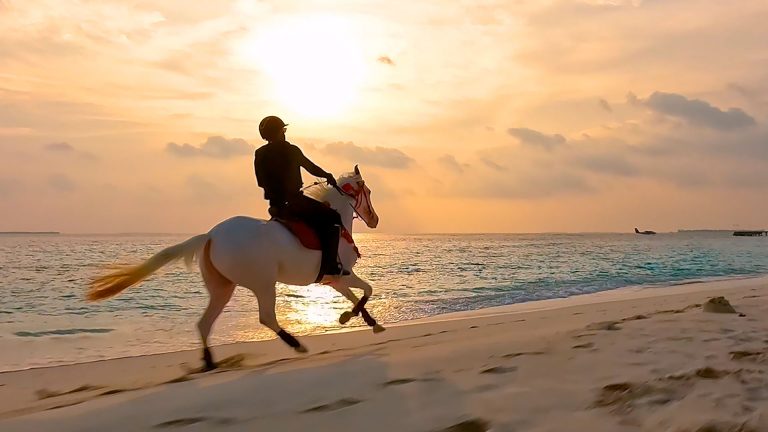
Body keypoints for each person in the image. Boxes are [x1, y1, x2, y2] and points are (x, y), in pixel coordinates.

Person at [253, 115, 348, 277]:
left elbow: (261, 182)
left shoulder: (259, 154)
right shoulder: (291, 150)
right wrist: (327, 175)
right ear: (278, 132)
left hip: (275, 207)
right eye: (283, 129)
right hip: (295, 203)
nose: (284, 133)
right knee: (334, 218)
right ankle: (331, 266)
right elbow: (310, 167)